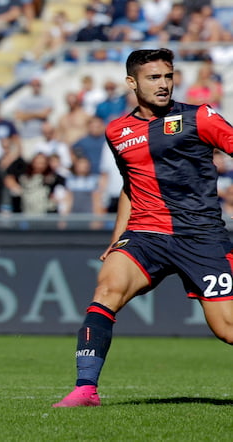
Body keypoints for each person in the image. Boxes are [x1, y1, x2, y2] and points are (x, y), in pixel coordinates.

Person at [53, 48, 233, 408]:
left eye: (168, 76)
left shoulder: (200, 117)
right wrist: (117, 237)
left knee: (226, 328)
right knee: (106, 291)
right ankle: (85, 389)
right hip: (145, 234)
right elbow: (130, 186)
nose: (163, 84)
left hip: (201, 237)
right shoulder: (117, 131)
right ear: (131, 82)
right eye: (154, 78)